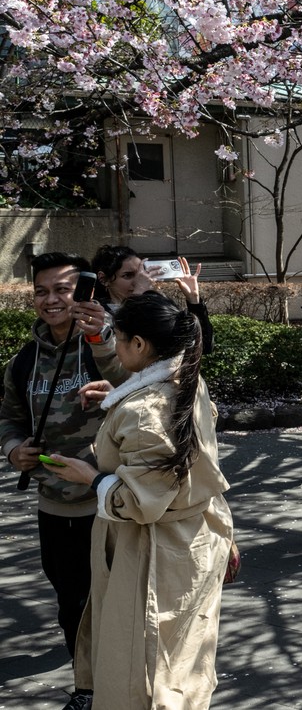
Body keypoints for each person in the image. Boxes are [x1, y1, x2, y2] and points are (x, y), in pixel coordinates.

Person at [44, 291, 234, 710]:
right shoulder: (185, 380)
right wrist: (118, 396)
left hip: (152, 552)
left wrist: (90, 477)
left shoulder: (146, 411)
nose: (115, 346)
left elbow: (136, 501)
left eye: (120, 338)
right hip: (195, 540)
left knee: (144, 674)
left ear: (140, 346)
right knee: (183, 662)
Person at [1, 253, 127, 710]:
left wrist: (100, 337)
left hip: (108, 502)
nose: (51, 299)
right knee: (70, 601)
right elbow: (10, 417)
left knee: (111, 602)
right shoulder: (24, 360)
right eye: (42, 290)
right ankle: (87, 676)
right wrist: (14, 449)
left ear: (85, 292)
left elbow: (137, 383)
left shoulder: (107, 343)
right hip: (53, 504)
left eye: (63, 289)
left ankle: (97, 690)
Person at [92, 244, 214, 355]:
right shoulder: (96, 313)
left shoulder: (156, 306)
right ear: (104, 279)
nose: (138, 281)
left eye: (142, 273)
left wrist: (194, 301)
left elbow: (203, 347)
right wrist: (138, 293)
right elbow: (119, 357)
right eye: (128, 275)